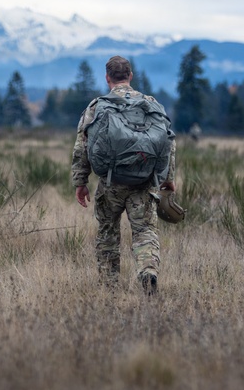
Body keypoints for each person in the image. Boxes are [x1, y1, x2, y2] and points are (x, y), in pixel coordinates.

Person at [71, 55, 176, 295]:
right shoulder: (150, 104)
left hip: (111, 183)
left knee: (108, 233)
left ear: (107, 78)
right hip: (144, 181)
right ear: (130, 76)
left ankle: (110, 287)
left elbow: (82, 146)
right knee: (145, 231)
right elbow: (168, 142)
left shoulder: (97, 106)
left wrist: (81, 182)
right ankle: (148, 271)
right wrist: (167, 178)